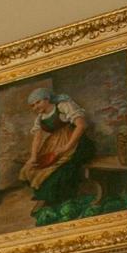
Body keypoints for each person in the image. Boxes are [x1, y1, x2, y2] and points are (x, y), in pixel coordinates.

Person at [22, 86, 94, 214]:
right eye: (32, 105)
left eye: (37, 102)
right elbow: (37, 139)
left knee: (61, 170)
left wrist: (66, 147)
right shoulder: (40, 118)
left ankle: (60, 201)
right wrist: (33, 156)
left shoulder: (63, 106)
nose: (35, 107)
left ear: (47, 99)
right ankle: (47, 198)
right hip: (55, 143)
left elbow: (81, 125)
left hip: (76, 142)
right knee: (33, 168)